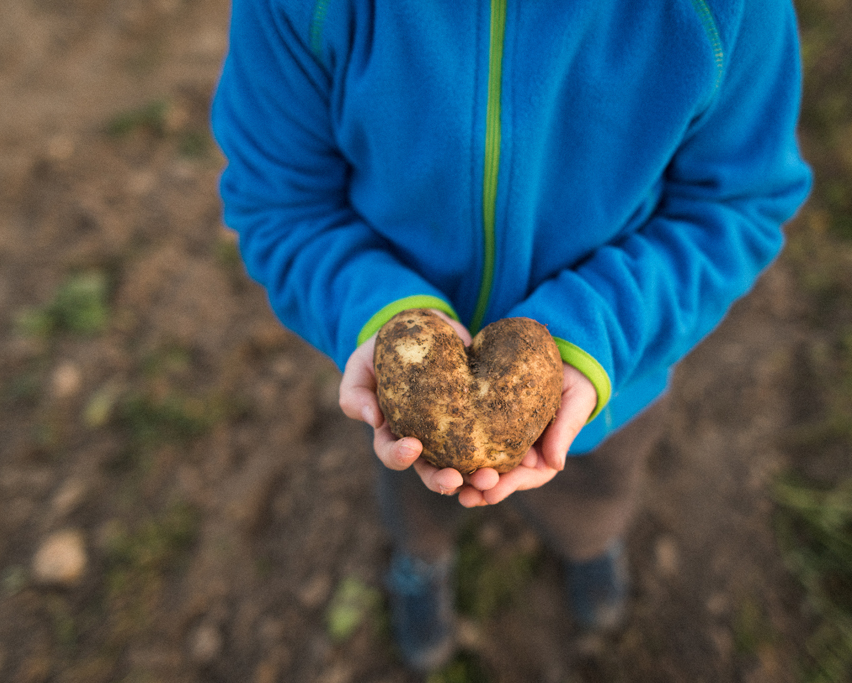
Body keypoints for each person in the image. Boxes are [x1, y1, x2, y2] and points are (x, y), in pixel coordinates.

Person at [211, 0, 812, 671]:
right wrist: (382, 314)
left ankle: (587, 545)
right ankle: (422, 561)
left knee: (593, 493)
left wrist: (597, 333)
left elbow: (736, 203)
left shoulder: (724, 14)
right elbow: (281, 200)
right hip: (399, 390)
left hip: (608, 387)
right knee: (417, 489)